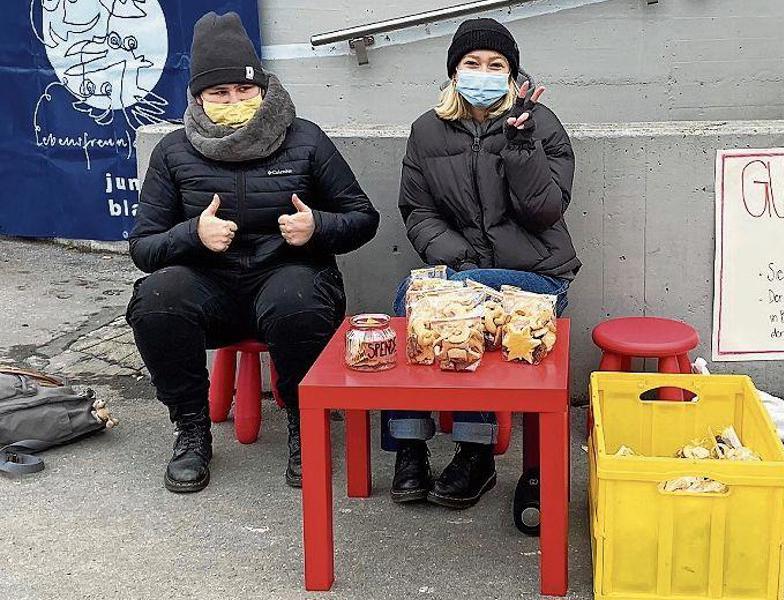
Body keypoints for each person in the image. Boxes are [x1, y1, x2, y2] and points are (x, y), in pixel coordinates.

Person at [126, 12, 379, 493]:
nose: (234, 102)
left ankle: (307, 427)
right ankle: (191, 429)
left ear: (263, 90)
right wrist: (192, 236)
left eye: (244, 91)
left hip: (289, 278)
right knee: (157, 297)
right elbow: (143, 247)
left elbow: (363, 218)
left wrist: (317, 226)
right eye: (219, 94)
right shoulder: (173, 152)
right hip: (210, 291)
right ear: (198, 98)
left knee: (296, 299)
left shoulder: (305, 139)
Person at [387, 18, 580, 509]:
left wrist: (521, 146)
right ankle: (410, 447)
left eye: (497, 65)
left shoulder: (542, 124)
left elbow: (547, 210)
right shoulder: (426, 130)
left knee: (461, 310)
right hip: (463, 271)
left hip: (536, 279)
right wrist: (459, 261)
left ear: (513, 76)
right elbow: (418, 211)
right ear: (454, 73)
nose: (483, 72)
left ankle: (476, 453)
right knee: (405, 302)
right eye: (472, 63)